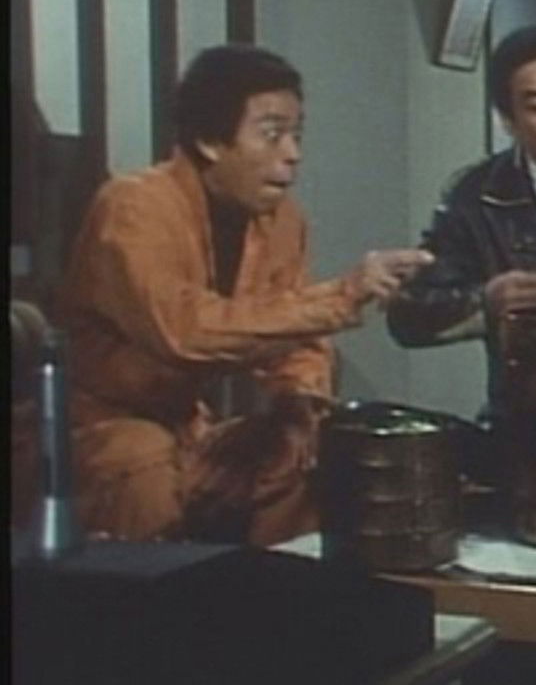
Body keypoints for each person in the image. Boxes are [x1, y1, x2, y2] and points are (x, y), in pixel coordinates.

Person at [16, 43, 431, 547]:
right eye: (272, 134)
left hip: (186, 425)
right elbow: (184, 330)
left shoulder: (284, 219)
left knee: (300, 459)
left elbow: (299, 342)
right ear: (210, 140)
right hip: (90, 428)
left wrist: (299, 409)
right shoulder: (132, 206)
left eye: (297, 135)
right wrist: (344, 294)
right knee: (141, 468)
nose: (293, 154)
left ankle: (274, 593)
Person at [386, 26, 536, 427]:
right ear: (509, 121)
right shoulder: (480, 197)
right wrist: (484, 301)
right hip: (532, 429)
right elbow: (407, 318)